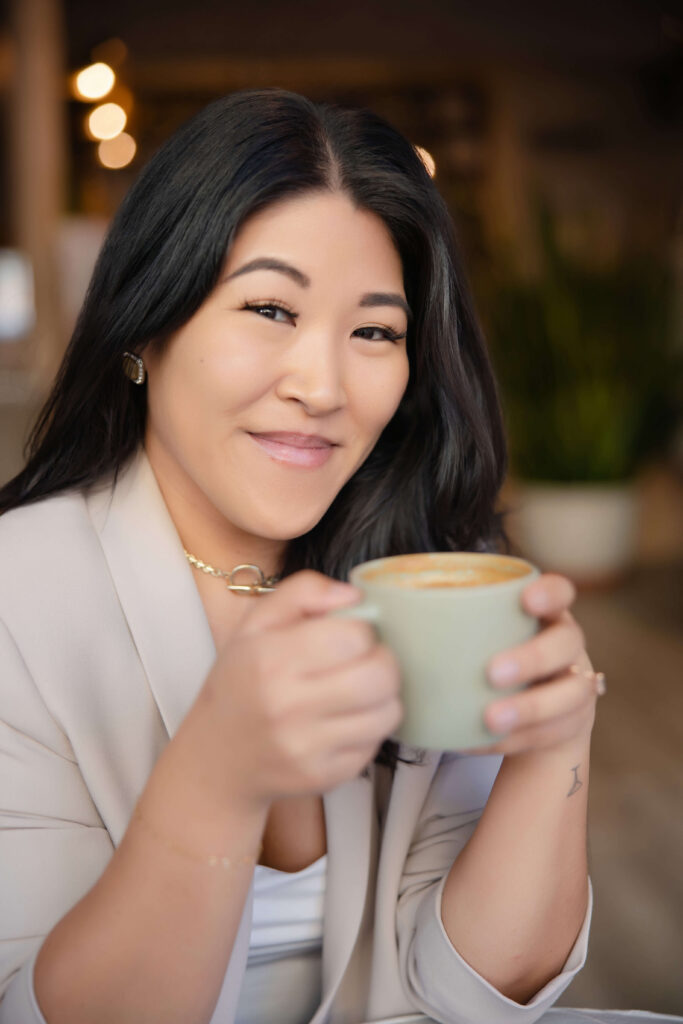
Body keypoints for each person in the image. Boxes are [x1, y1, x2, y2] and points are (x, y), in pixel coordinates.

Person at [0, 88, 602, 1024]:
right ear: (143, 329)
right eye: (270, 309)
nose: (322, 386)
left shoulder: (425, 571)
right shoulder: (17, 597)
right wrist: (215, 778)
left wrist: (552, 751)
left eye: (373, 331)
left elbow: (472, 995)